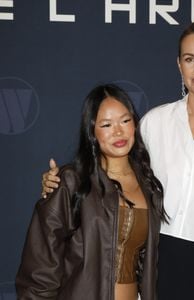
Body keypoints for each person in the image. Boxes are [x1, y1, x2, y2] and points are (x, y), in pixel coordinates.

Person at [41, 21, 194, 299]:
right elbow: (115, 170)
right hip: (157, 264)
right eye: (190, 59)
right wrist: (64, 181)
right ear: (179, 65)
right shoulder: (155, 122)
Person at [16, 84, 167, 300]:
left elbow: (146, 265)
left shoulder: (149, 186)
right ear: (92, 132)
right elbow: (41, 267)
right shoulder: (72, 181)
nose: (118, 131)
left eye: (125, 120)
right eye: (106, 124)